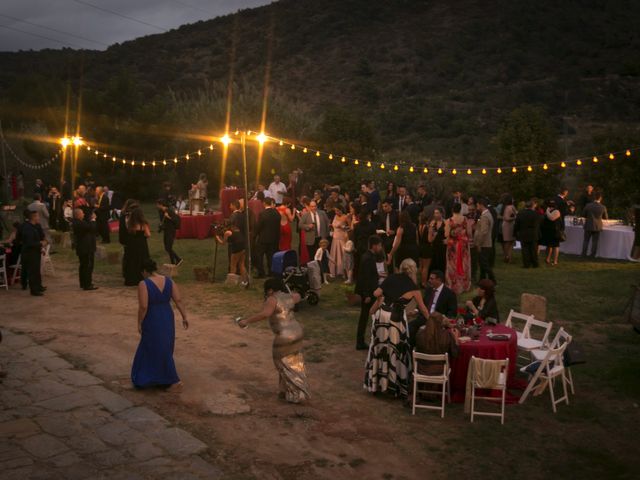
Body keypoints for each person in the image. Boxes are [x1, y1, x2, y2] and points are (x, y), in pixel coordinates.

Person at [364, 259, 431, 398]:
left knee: (380, 348)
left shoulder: (391, 277)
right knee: (395, 351)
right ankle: (393, 385)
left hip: (382, 316)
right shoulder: (412, 286)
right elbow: (423, 309)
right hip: (396, 320)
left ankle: (377, 384)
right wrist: (432, 321)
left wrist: (382, 299)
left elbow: (377, 293)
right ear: (413, 270)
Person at [236, 278, 310, 404]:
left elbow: (265, 314)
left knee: (282, 364)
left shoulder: (272, 299)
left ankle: (296, 394)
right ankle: (286, 390)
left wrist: (246, 321)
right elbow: (298, 296)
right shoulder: (290, 296)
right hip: (297, 332)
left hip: (284, 335)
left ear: (270, 289)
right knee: (294, 361)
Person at [131, 259, 188, 390]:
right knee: (164, 346)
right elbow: (178, 299)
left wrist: (139, 322)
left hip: (152, 317)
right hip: (167, 316)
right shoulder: (169, 281)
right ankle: (160, 377)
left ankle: (170, 379)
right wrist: (184, 316)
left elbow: (144, 306)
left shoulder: (144, 284)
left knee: (151, 346)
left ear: (145, 271)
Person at [408, 269, 458, 344]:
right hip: (425, 317)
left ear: (439, 280)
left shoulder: (449, 294)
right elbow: (423, 304)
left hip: (439, 320)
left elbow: (452, 312)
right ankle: (412, 349)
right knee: (410, 326)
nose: (429, 280)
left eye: (431, 279)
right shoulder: (428, 290)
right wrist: (416, 311)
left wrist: (445, 319)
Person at [355, 236, 384, 350]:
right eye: (380, 245)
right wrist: (366, 294)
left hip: (370, 291)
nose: (381, 248)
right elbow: (365, 277)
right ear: (374, 245)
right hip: (368, 292)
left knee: (367, 316)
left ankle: (366, 339)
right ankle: (361, 341)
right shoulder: (368, 258)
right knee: (365, 316)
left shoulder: (368, 257)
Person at [445, 203, 471, 295]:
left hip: (453, 245)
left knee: (453, 264)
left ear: (452, 209)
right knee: (464, 263)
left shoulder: (449, 221)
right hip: (463, 244)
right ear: (460, 209)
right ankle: (464, 284)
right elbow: (469, 232)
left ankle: (453, 284)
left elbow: (446, 234)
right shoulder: (465, 219)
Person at [20, 210, 46, 296]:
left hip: (35, 252)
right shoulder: (28, 228)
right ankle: (34, 290)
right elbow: (29, 243)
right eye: (37, 216)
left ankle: (38, 286)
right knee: (33, 271)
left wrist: (40, 246)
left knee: (36, 270)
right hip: (30, 253)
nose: (39, 218)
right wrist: (40, 243)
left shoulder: (34, 226)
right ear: (33, 217)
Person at [72, 208, 98, 291]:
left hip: (83, 247)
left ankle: (83, 283)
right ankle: (87, 284)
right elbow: (91, 228)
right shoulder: (79, 223)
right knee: (87, 266)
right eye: (82, 213)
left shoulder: (78, 222)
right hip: (86, 248)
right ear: (78, 215)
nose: (83, 214)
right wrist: (93, 219)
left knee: (83, 265)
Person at [124, 207, 151, 286]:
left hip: (132, 244)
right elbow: (148, 234)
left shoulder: (130, 223)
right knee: (141, 259)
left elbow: (129, 232)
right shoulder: (143, 223)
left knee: (132, 261)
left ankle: (131, 279)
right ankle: (141, 277)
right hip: (141, 244)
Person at [215, 221, 248, 286]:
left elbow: (223, 243)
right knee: (241, 264)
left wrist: (217, 238)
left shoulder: (227, 232)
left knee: (233, 265)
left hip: (236, 248)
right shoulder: (237, 229)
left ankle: (232, 282)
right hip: (243, 248)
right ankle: (245, 281)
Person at [255, 197, 281, 277]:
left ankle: (261, 272)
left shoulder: (262, 214)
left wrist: (255, 234)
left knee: (259, 255)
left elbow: (259, 226)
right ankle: (271, 271)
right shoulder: (277, 213)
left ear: (264, 203)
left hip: (263, 239)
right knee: (271, 256)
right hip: (274, 238)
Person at [514, 199, 542, 268]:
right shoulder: (536, 214)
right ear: (532, 206)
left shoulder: (520, 213)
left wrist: (515, 232)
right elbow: (540, 223)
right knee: (533, 249)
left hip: (524, 233)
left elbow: (517, 224)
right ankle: (535, 264)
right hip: (533, 233)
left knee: (525, 250)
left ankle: (526, 264)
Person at [474, 198, 496, 282]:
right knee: (482, 264)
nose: (477, 207)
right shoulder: (486, 215)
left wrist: (479, 243)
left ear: (481, 205)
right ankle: (481, 280)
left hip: (484, 244)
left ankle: (493, 279)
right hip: (486, 243)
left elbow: (483, 232)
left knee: (484, 264)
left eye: (477, 205)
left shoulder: (485, 216)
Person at [582, 193, 608, 258]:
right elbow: (606, 217)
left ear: (594, 198)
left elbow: (583, 214)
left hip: (588, 225)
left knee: (586, 241)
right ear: (600, 198)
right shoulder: (603, 207)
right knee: (595, 241)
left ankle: (583, 254)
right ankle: (592, 255)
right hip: (597, 226)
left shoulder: (588, 205)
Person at [157, 200, 182, 266]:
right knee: (167, 247)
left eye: (158, 205)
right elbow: (163, 222)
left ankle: (178, 259)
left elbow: (176, 221)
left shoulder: (170, 211)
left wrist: (168, 217)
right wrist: (161, 226)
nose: (157, 206)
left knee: (169, 247)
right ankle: (173, 263)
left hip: (171, 231)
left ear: (161, 204)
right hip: (166, 231)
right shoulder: (160, 212)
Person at [540, 200, 563, 265]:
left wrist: (547, 211)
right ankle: (547, 259)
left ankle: (555, 261)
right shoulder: (549, 211)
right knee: (548, 246)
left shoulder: (557, 211)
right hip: (548, 231)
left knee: (555, 246)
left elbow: (551, 218)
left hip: (555, 231)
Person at [330, 205, 350, 278]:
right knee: (335, 253)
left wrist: (344, 227)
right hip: (335, 237)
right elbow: (333, 225)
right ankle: (335, 270)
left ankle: (344, 271)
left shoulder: (345, 217)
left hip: (342, 237)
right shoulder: (335, 216)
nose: (336, 212)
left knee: (342, 254)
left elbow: (350, 227)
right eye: (335, 211)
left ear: (341, 210)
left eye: (337, 210)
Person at [428, 207, 446, 275]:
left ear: (441, 214)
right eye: (435, 213)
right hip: (434, 246)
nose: (435, 214)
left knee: (442, 263)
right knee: (433, 263)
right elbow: (430, 235)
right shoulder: (432, 223)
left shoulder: (445, 222)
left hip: (442, 246)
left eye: (437, 213)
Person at [499, 194, 517, 263]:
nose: (513, 200)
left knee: (510, 242)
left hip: (509, 225)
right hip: (508, 225)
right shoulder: (509, 207)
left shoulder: (508, 206)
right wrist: (514, 217)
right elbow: (506, 218)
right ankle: (507, 256)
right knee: (508, 241)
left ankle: (508, 257)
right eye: (512, 199)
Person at [417, 212, 432, 288]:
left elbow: (417, 239)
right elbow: (429, 240)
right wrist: (434, 235)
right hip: (427, 248)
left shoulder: (418, 226)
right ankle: (424, 283)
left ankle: (418, 280)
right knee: (426, 267)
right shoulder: (428, 227)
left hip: (420, 247)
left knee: (421, 266)